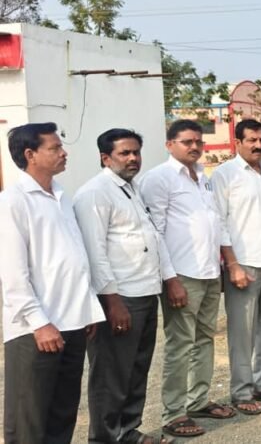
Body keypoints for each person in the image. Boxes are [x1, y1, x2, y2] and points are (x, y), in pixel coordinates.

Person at [0, 123, 105, 444]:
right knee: (29, 417)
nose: (64, 152)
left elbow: (73, 256)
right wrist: (39, 323)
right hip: (37, 329)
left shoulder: (60, 195)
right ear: (30, 155)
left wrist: (86, 309)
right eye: (55, 148)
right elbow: (12, 273)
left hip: (72, 322)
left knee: (62, 412)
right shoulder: (13, 202)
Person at [73, 129, 180, 443]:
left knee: (136, 369)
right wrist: (113, 302)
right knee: (110, 374)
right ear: (105, 158)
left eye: (136, 152)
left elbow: (152, 238)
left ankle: (127, 429)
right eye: (125, 153)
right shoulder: (95, 193)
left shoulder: (131, 189)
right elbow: (95, 253)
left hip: (145, 292)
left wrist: (168, 278)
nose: (133, 158)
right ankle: (105, 437)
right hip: (120, 297)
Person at [140, 119, 236, 438]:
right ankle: (174, 412)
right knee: (180, 344)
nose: (194, 146)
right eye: (186, 141)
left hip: (208, 272)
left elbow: (216, 222)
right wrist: (170, 280)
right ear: (170, 145)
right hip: (181, 275)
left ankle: (198, 400)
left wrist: (226, 264)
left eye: (198, 141)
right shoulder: (159, 178)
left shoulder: (202, 178)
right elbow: (156, 232)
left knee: (205, 339)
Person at [210, 119, 261, 414]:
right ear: (237, 143)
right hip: (244, 264)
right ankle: (242, 391)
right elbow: (218, 222)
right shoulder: (225, 175)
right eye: (251, 140)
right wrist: (232, 264)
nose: (258, 145)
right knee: (242, 331)